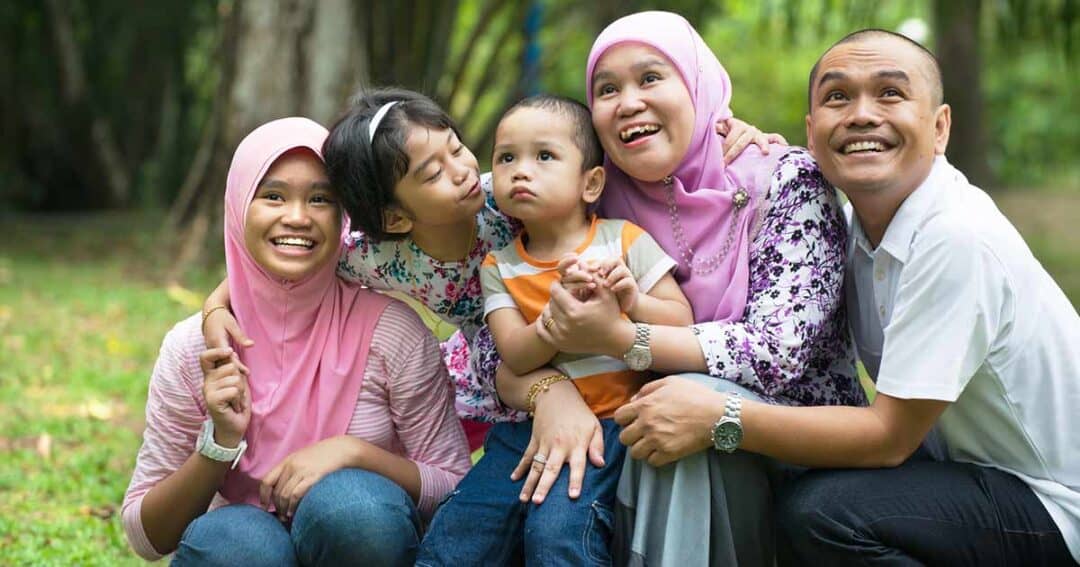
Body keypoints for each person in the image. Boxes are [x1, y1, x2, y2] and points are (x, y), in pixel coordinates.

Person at [614, 28, 1079, 566]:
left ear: (940, 126)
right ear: (811, 135)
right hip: (964, 477)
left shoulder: (955, 235)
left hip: (1052, 503)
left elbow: (887, 439)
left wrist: (721, 417)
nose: (861, 115)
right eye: (838, 97)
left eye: (890, 93)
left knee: (825, 515)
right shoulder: (859, 228)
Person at [200, 89, 778, 449]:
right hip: (490, 358)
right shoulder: (377, 253)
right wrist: (213, 308)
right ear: (396, 218)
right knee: (451, 456)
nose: (460, 170)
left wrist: (732, 132)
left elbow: (586, 157)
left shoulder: (508, 200)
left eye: (456, 148)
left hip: (572, 341)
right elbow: (296, 254)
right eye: (432, 173)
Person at [494, 11, 868, 566]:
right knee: (659, 410)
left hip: (795, 457)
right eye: (607, 89)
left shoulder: (784, 180)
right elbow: (453, 207)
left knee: (683, 395)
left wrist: (622, 337)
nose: (627, 101)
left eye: (650, 78)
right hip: (641, 442)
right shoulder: (589, 194)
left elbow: (775, 354)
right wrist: (552, 393)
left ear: (699, 86)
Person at [121, 117, 470, 565]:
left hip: (360, 539)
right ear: (237, 206)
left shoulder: (390, 332)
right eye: (273, 195)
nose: (298, 217)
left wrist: (354, 455)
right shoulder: (196, 348)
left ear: (342, 215)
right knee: (238, 546)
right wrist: (220, 444)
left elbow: (454, 482)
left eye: (321, 198)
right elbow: (147, 537)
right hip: (243, 548)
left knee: (351, 511)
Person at [417, 95, 694, 565]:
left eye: (544, 156)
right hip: (525, 427)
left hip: (609, 426)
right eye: (507, 157)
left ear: (591, 183)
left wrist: (632, 300)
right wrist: (553, 323)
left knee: (558, 535)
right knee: (460, 533)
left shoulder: (621, 241)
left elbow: (682, 322)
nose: (521, 170)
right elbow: (516, 355)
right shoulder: (499, 266)